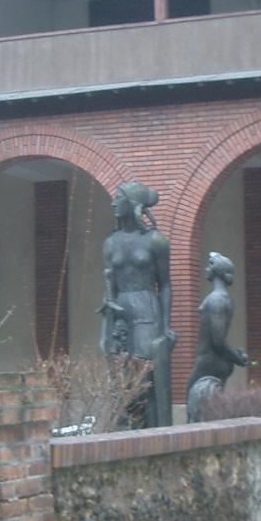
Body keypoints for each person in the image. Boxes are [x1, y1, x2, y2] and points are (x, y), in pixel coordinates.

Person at [100, 181, 175, 428]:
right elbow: (109, 286)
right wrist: (105, 327)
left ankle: (152, 430)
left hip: (147, 310)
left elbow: (165, 285)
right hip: (120, 313)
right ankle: (126, 430)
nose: (113, 203)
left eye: (118, 198)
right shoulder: (110, 243)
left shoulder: (155, 241)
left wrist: (165, 326)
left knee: (146, 375)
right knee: (121, 379)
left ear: (133, 204)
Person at [186, 251, 248, 422]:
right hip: (211, 360)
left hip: (210, 361)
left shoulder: (217, 299)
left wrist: (236, 358)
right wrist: (236, 356)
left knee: (197, 410)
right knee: (203, 408)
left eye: (209, 266)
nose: (206, 269)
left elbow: (218, 341)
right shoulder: (221, 298)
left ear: (216, 270)